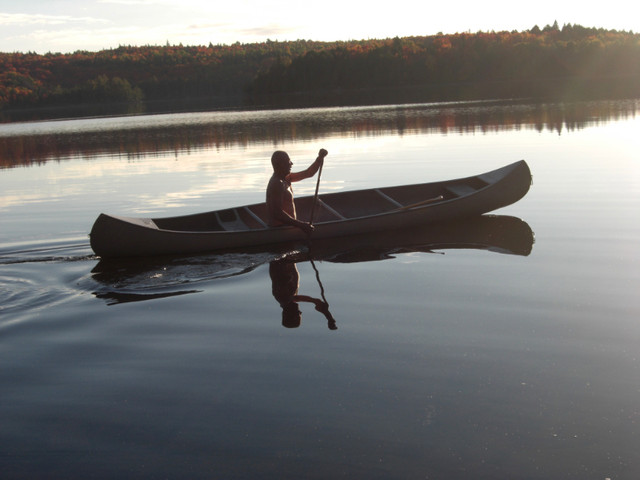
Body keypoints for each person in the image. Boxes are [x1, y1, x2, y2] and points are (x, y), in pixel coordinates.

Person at [266, 148, 328, 235]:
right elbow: (277, 213)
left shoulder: (287, 178)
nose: (291, 164)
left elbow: (308, 173)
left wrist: (319, 158)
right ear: (280, 164)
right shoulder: (277, 183)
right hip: (279, 229)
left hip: (289, 227)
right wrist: (302, 226)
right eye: (288, 161)